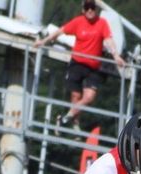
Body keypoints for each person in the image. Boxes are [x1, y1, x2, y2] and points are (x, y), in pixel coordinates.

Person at [36, 0, 127, 128]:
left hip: (93, 66)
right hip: (77, 64)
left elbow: (109, 40)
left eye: (92, 7)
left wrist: (116, 55)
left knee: (89, 97)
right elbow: (60, 31)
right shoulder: (78, 22)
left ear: (96, 10)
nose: (90, 10)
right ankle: (75, 124)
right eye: (87, 7)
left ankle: (66, 118)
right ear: (83, 10)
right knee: (76, 95)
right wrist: (43, 42)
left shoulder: (102, 23)